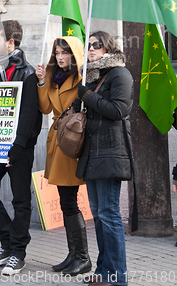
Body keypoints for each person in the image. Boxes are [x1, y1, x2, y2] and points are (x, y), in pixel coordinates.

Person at [0, 20, 42, 276]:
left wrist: (17, 146)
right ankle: (7, 243)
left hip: (19, 149)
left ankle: (18, 253)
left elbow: (29, 115)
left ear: (10, 42)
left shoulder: (26, 72)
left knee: (21, 200)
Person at [75, 31, 134, 286]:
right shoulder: (92, 76)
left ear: (107, 47)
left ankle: (117, 277)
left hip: (110, 151)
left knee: (109, 214)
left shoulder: (120, 73)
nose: (90, 49)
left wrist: (88, 96)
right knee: (98, 215)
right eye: (88, 46)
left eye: (95, 45)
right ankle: (103, 271)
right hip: (93, 151)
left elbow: (119, 110)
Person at [35, 37, 92, 276]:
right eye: (57, 52)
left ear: (75, 55)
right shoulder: (53, 77)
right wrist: (41, 82)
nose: (60, 57)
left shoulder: (82, 78)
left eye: (65, 53)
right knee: (64, 200)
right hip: (58, 140)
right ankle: (73, 254)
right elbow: (46, 108)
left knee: (70, 201)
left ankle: (82, 256)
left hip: (71, 142)